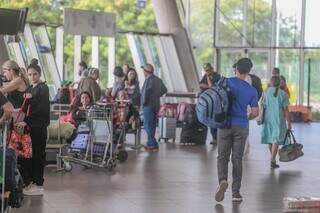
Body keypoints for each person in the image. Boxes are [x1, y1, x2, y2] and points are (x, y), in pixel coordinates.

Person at [215, 58, 259, 203]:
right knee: (237, 159)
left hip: (225, 124)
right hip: (241, 126)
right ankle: (236, 193)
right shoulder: (252, 90)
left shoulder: (225, 82)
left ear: (236, 69)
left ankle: (222, 180)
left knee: (222, 157)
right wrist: (247, 117)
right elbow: (255, 112)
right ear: (248, 72)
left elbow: (215, 98)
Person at [18, 59, 50, 196]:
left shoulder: (43, 88)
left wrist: (27, 120)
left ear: (39, 74)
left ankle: (39, 184)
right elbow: (25, 106)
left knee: (38, 155)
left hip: (39, 126)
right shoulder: (30, 88)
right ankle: (31, 182)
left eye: (35, 74)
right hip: (30, 126)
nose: (32, 77)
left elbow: (41, 109)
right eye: (30, 75)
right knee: (29, 155)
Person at [261, 76, 291, 169]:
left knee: (270, 138)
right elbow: (286, 110)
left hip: (267, 119)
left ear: (271, 82)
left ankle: (273, 158)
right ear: (280, 83)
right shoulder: (283, 94)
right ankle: (273, 159)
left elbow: (262, 106)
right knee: (276, 139)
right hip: (278, 119)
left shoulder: (265, 92)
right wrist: (289, 122)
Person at [141, 63, 167, 152]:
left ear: (146, 72)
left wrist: (143, 104)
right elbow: (165, 90)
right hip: (156, 105)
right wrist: (157, 96)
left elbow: (145, 94)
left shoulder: (148, 80)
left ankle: (153, 144)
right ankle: (150, 144)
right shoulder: (158, 80)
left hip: (148, 105)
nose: (143, 72)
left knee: (147, 125)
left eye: (143, 70)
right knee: (151, 125)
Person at [199, 63, 221, 145]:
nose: (207, 72)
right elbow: (200, 84)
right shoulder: (205, 76)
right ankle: (206, 137)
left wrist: (208, 83)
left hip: (214, 102)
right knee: (205, 119)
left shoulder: (217, 76)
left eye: (208, 70)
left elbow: (212, 87)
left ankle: (215, 138)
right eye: (206, 71)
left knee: (212, 120)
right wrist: (208, 85)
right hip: (206, 102)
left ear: (212, 69)